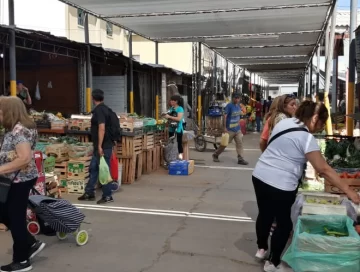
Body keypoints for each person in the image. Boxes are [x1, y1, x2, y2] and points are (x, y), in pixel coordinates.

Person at [252, 101, 360, 272]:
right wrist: (348, 190)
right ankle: (272, 262)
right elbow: (323, 169)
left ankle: (261, 249)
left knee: (265, 213)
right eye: (322, 123)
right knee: (284, 224)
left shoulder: (285, 123)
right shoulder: (306, 137)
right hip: (281, 184)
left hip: (259, 175)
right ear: (315, 118)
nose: (321, 128)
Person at [0, 96, 45, 272]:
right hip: (16, 179)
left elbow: (24, 158)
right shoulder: (16, 127)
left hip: (18, 181)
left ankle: (22, 260)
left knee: (15, 218)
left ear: (8, 111)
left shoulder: (19, 131)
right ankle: (30, 243)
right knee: (6, 214)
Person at [78, 89, 114, 204]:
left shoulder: (99, 111)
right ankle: (89, 192)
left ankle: (107, 196)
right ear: (102, 98)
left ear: (93, 98)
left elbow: (102, 128)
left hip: (103, 147)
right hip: (103, 146)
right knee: (93, 168)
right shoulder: (105, 109)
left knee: (104, 170)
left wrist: (99, 146)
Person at [212, 92, 248, 165]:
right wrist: (224, 128)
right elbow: (225, 116)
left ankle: (240, 158)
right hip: (230, 130)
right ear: (233, 98)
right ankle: (215, 154)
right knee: (224, 144)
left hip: (237, 129)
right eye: (236, 98)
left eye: (238, 98)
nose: (237, 99)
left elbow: (239, 115)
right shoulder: (229, 106)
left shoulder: (238, 106)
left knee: (239, 143)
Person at [164, 95, 184, 160]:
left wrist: (169, 117)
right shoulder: (171, 109)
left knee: (179, 144)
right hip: (171, 129)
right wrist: (165, 116)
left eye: (173, 100)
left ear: (176, 101)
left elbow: (179, 119)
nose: (171, 102)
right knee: (171, 144)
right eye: (171, 100)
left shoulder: (180, 108)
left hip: (178, 129)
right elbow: (168, 115)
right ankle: (171, 158)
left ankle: (180, 157)